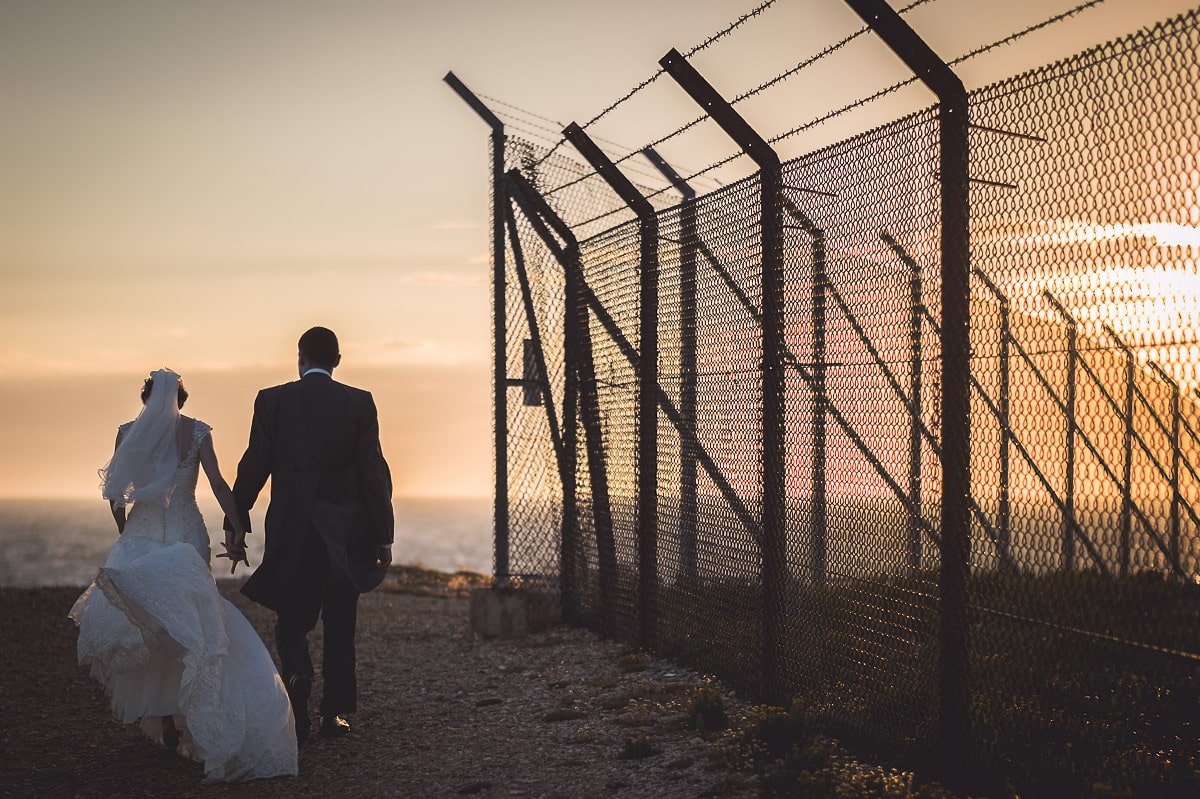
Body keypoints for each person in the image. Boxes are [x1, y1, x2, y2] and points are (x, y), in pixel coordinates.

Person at [69, 369, 298, 782]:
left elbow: (115, 497)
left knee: (152, 627)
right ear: (181, 399)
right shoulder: (196, 432)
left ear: (145, 400)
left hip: (141, 535)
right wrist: (239, 531)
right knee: (192, 625)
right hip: (185, 533)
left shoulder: (127, 432)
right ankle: (193, 716)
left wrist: (129, 532)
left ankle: (169, 722)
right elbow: (218, 485)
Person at [226, 326, 394, 744]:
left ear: (299, 358)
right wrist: (383, 535)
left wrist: (235, 523)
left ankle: (297, 681)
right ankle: (333, 714)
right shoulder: (359, 402)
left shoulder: (273, 400)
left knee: (292, 620)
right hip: (344, 533)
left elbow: (254, 466)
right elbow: (373, 472)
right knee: (341, 624)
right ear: (337, 361)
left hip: (293, 530)